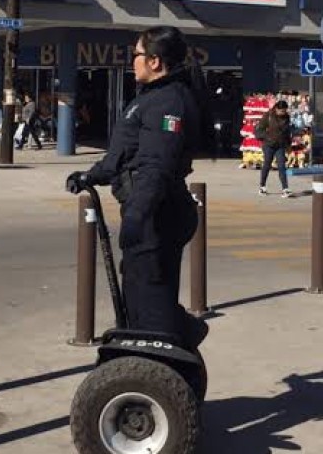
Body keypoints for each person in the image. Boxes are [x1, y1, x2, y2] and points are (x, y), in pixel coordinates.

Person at [65, 25, 212, 350]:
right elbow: (123, 154)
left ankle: (164, 358)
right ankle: (171, 341)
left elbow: (155, 166)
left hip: (158, 214)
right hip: (150, 211)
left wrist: (137, 217)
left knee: (148, 296)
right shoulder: (152, 98)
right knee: (139, 288)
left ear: (156, 61)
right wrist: (91, 175)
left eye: (136, 55)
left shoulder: (167, 103)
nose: (132, 61)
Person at [255, 100, 293, 198]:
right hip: (268, 145)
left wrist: (288, 145)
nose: (283, 113)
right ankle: (262, 186)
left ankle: (285, 189)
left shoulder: (287, 118)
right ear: (276, 109)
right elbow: (259, 130)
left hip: (280, 145)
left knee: (281, 166)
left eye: (284, 111)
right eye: (281, 111)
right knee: (267, 165)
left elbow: (287, 133)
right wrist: (267, 137)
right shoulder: (268, 116)